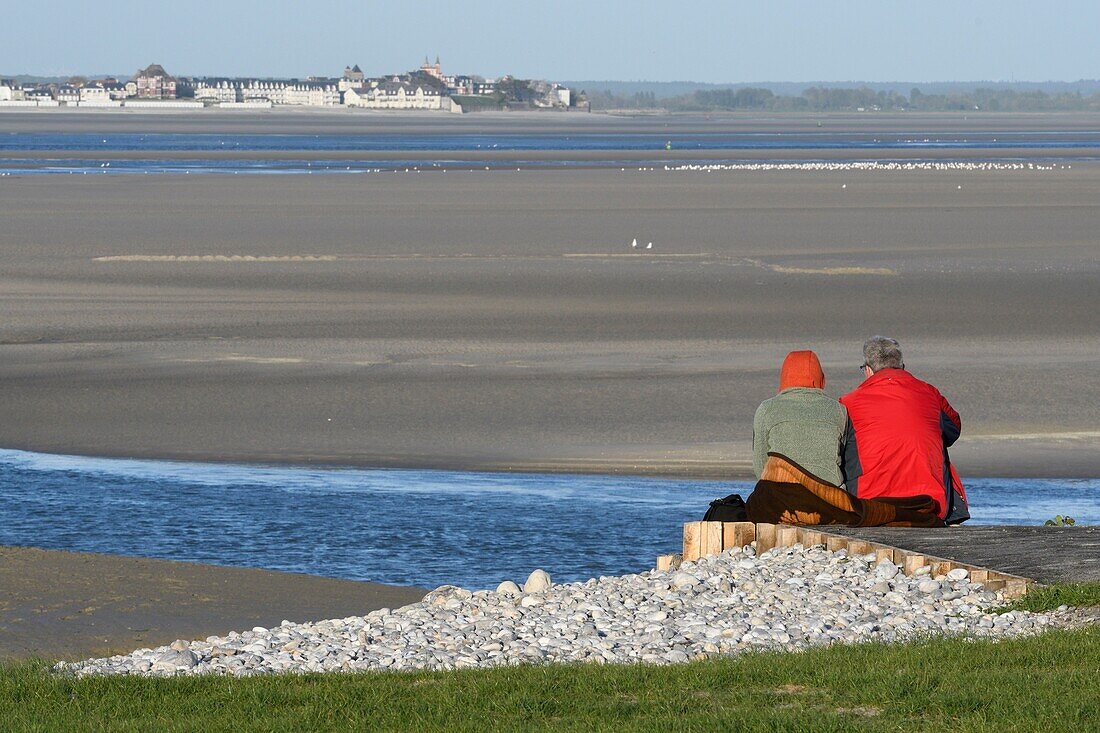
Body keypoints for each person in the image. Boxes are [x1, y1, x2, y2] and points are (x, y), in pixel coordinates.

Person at [840, 336, 970, 524]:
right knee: (935, 445)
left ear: (868, 370)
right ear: (902, 366)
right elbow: (953, 430)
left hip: (869, 504)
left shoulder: (849, 402)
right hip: (930, 502)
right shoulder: (930, 394)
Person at [750, 350, 852, 489]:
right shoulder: (838, 410)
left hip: (782, 496)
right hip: (830, 497)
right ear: (821, 379)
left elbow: (760, 465)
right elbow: (843, 459)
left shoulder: (766, 409)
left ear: (784, 377)